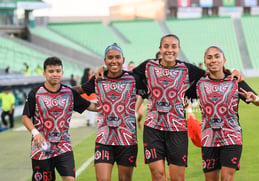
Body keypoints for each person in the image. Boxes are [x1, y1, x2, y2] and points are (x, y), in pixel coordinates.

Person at [95, 34, 243, 181]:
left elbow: (213, 71)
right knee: (158, 174)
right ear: (160, 48)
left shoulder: (186, 68)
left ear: (179, 49)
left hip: (177, 130)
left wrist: (232, 71)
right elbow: (123, 74)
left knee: (177, 178)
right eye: (166, 46)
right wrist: (103, 68)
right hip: (153, 129)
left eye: (173, 47)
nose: (169, 50)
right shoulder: (148, 66)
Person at [190, 46, 259, 181]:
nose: (213, 60)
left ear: (224, 60)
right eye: (209, 57)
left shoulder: (235, 81)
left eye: (217, 56)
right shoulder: (198, 83)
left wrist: (255, 99)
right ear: (205, 62)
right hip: (208, 139)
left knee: (227, 178)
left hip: (231, 137)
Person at [73, 43, 143, 181]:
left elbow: (152, 86)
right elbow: (79, 90)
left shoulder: (133, 79)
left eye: (117, 57)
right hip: (104, 140)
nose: (114, 61)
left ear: (123, 60)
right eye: (110, 58)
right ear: (105, 61)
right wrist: (57, 91)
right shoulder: (98, 78)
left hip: (127, 141)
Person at [22, 56, 97, 181]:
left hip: (63, 145)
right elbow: (25, 117)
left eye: (58, 71)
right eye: (51, 71)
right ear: (44, 73)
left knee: (70, 179)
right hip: (41, 147)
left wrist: (110, 105)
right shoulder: (35, 93)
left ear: (62, 73)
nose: (55, 74)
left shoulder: (69, 92)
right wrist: (35, 133)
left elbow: (90, 106)